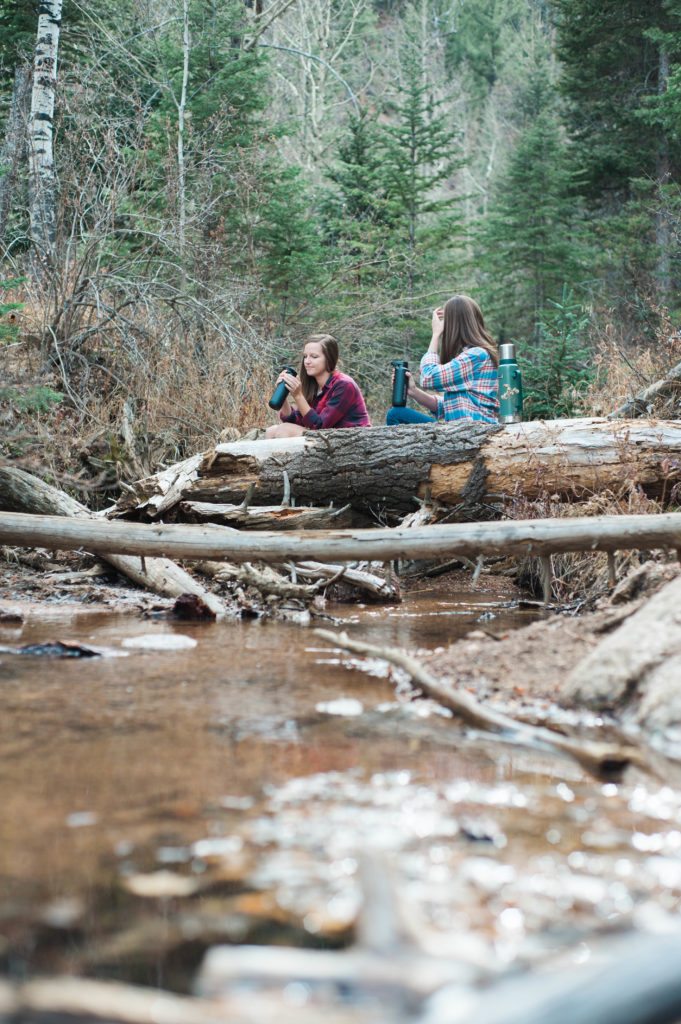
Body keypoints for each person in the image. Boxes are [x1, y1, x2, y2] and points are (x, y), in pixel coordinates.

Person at [386, 295, 499, 426]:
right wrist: (413, 391)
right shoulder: (472, 355)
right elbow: (445, 407)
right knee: (397, 414)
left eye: (447, 320)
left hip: (475, 432)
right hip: (463, 430)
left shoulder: (476, 355)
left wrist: (435, 335)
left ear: (454, 323)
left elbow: (428, 376)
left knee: (395, 415)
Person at [266, 334, 372, 437]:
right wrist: (283, 394)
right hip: (328, 438)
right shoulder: (314, 385)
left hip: (353, 442)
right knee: (271, 431)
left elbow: (320, 426)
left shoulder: (344, 385)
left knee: (284, 430)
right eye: (305, 356)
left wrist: (298, 396)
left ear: (329, 358)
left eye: (314, 357)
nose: (307, 361)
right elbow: (296, 420)